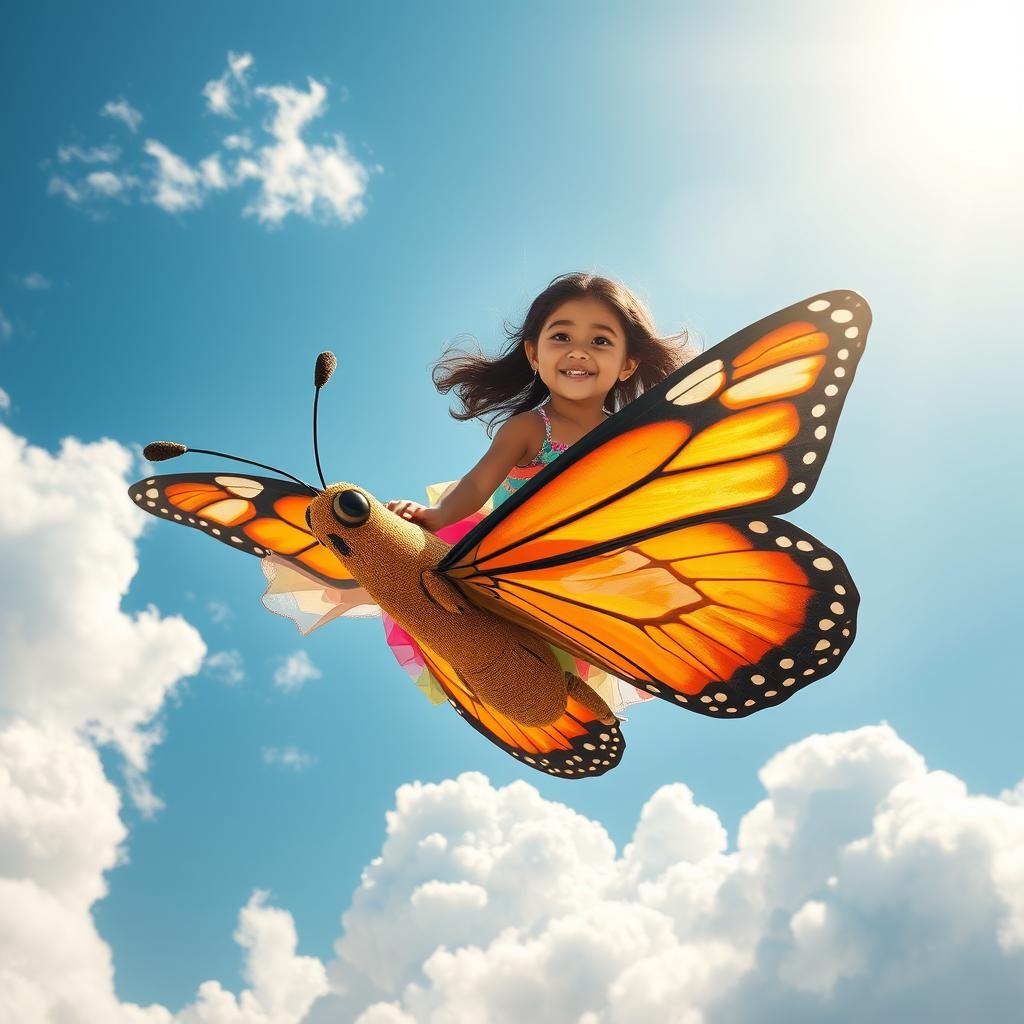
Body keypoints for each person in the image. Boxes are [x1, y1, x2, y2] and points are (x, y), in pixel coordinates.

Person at [382, 272, 692, 723]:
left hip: (586, 567)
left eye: (601, 341)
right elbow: (477, 484)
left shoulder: (626, 439)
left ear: (628, 364)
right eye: (561, 336)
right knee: (490, 635)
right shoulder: (530, 428)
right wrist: (437, 514)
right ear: (534, 353)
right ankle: (512, 692)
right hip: (510, 561)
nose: (579, 351)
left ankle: (591, 699)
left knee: (601, 636)